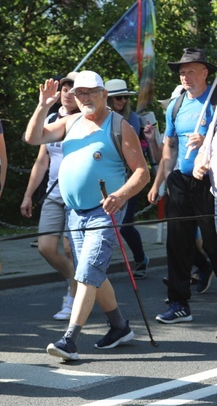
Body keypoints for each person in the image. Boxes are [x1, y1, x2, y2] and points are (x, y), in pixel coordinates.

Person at [25, 71, 149, 361]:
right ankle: (119, 326)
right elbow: (33, 138)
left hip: (105, 212)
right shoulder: (70, 121)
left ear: (104, 94)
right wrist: (43, 105)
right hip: (75, 213)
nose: (85, 98)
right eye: (80, 93)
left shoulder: (119, 126)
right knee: (93, 274)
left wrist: (119, 196)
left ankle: (70, 339)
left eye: (92, 92)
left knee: (87, 272)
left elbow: (142, 172)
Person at [148, 48, 217, 323]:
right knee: (177, 243)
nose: (185, 76)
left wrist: (208, 143)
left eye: (190, 70)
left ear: (205, 72)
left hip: (209, 182)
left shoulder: (215, 100)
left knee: (213, 243)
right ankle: (179, 304)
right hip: (179, 180)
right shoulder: (176, 105)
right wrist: (160, 182)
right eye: (181, 71)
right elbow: (170, 146)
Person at [20, 72, 79, 321]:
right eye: (64, 89)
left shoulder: (85, 121)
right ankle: (75, 281)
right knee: (46, 247)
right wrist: (28, 195)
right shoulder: (53, 118)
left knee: (69, 247)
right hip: (53, 192)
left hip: (76, 193)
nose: (67, 93)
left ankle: (74, 296)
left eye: (73, 90)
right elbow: (41, 160)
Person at [105, 78, 148, 279]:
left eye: (125, 97)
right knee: (106, 224)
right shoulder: (98, 119)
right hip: (105, 176)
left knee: (125, 223)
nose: (122, 100)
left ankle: (140, 258)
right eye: (118, 97)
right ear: (109, 99)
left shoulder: (130, 120)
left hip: (128, 177)